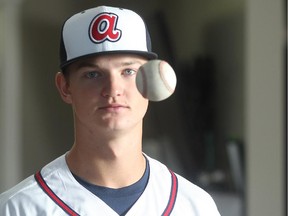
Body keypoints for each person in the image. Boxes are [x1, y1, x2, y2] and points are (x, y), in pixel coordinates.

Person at [0, 5, 220, 215]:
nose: (113, 89)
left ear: (151, 82)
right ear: (65, 87)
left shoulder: (195, 207)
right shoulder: (18, 208)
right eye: (93, 74)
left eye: (129, 71)